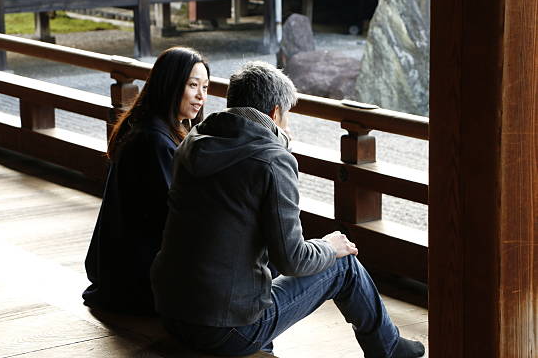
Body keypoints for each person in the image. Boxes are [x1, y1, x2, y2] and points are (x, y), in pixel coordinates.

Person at [151, 61, 425, 357]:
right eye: (287, 117)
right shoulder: (272, 159)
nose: (288, 127)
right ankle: (388, 347)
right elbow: (293, 260)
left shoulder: (192, 142)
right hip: (225, 331)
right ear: (274, 114)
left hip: (170, 309)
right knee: (343, 263)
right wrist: (330, 247)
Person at [83, 46, 209, 315]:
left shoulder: (149, 126)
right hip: (137, 279)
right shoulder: (154, 140)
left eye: (205, 87)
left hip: (119, 267)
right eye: (193, 85)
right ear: (171, 85)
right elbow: (170, 219)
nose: (201, 96)